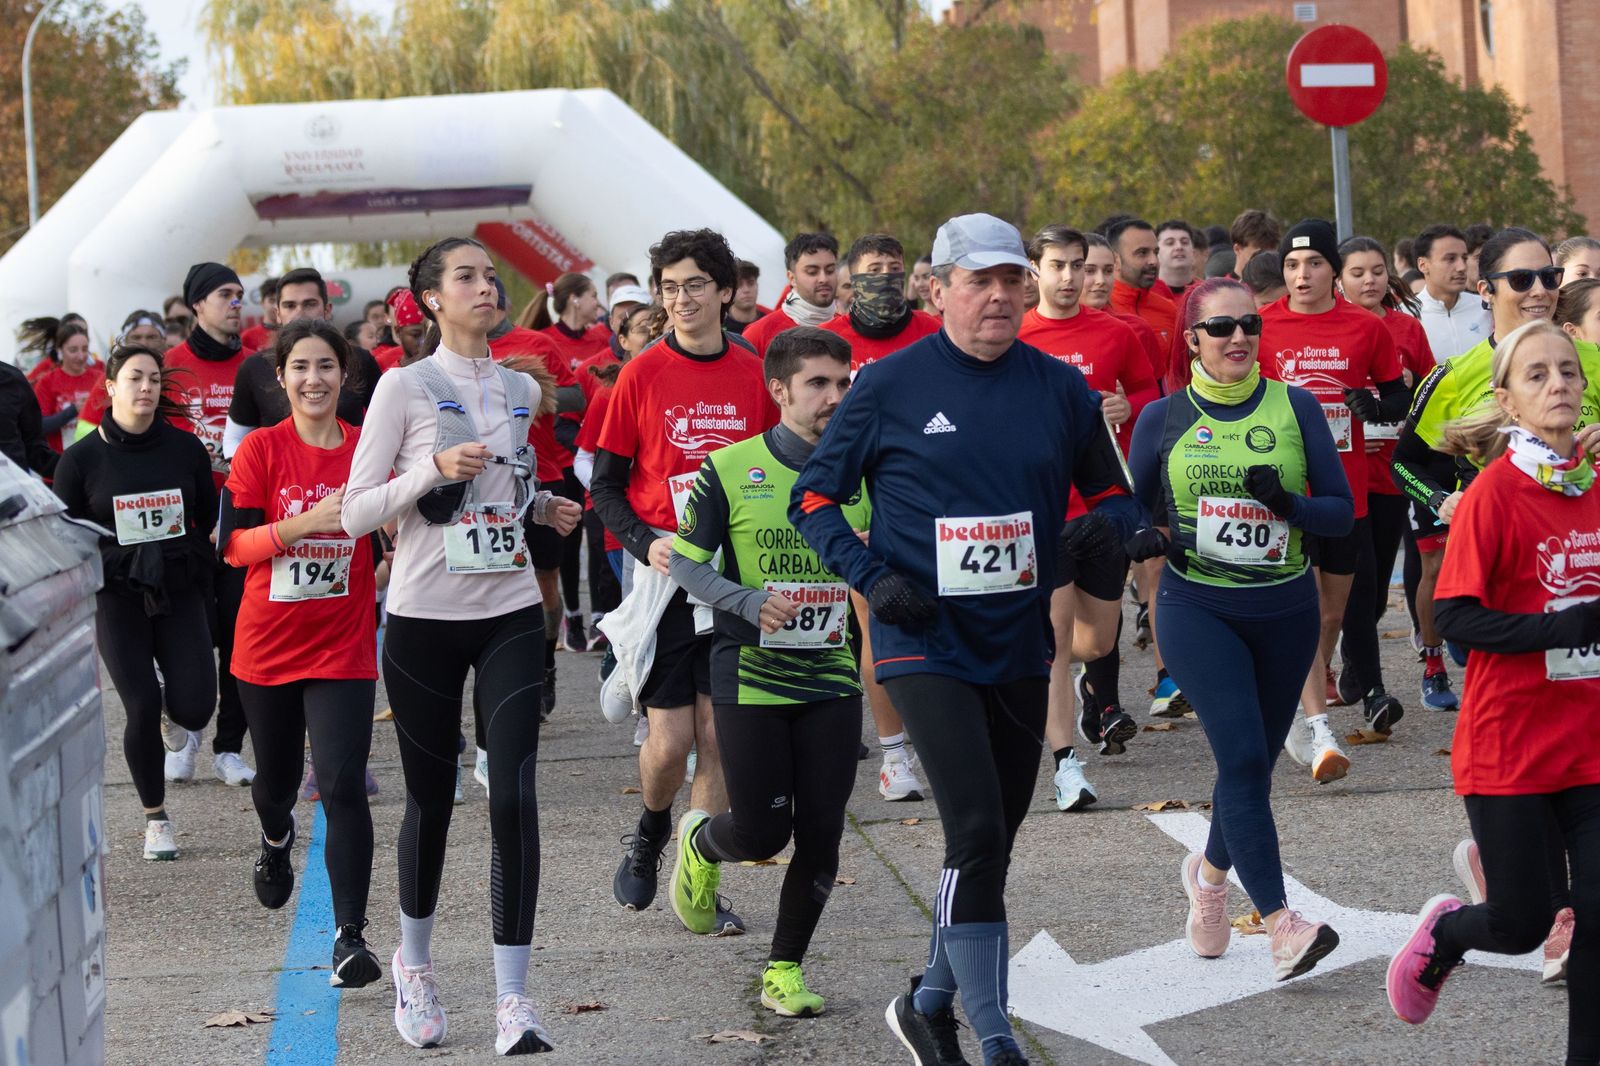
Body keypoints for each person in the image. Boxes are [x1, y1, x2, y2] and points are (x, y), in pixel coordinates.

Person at [794, 213, 1139, 1066]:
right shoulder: (888, 385)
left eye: (1010, 280)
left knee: (995, 840)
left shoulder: (1059, 387)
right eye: (978, 280)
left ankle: (928, 998)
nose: (998, 295)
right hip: (922, 638)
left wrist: (1128, 535)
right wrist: (873, 579)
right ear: (936, 287)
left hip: (1020, 639)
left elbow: (1111, 495)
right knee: (976, 827)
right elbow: (814, 499)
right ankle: (992, 1036)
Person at [342, 235, 582, 1055]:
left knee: (513, 794)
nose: (488, 286)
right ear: (433, 300)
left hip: (511, 605)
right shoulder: (403, 387)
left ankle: (513, 999)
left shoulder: (519, 386)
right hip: (422, 619)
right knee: (433, 802)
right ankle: (415, 966)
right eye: (468, 277)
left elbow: (507, 486)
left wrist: (541, 504)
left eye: (491, 275)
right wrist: (431, 469)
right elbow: (355, 511)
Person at [1126, 276, 1354, 981]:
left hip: (1285, 610)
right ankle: (1283, 922)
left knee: (1247, 761)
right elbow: (1130, 514)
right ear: (1191, 339)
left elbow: (1340, 515)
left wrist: (1287, 503)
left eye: (1249, 325)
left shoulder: (1297, 407)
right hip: (1200, 610)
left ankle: (1210, 879)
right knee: (1248, 761)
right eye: (1220, 328)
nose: (1237, 339)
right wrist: (1146, 538)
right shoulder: (1162, 419)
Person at [1385, 321, 1599, 1066]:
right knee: (1523, 922)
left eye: (1568, 371)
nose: (1558, 384)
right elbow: (1456, 618)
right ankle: (1447, 934)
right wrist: (1569, 623)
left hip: (1592, 744)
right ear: (1506, 399)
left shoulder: (1598, 486)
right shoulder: (1492, 497)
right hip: (1511, 746)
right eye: (1537, 375)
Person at [666, 326, 864, 1017]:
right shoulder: (729, 468)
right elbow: (684, 560)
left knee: (822, 829)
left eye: (843, 383)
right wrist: (745, 599)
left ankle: (784, 968)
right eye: (818, 383)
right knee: (761, 833)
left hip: (832, 677)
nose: (834, 397)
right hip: (750, 675)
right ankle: (700, 840)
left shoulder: (864, 471)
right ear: (778, 390)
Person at [590, 228, 777, 929]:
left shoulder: (756, 371)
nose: (681, 300)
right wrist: (646, 543)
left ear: (725, 291)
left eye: (694, 285)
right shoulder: (641, 374)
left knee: (720, 736)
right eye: (668, 288)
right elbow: (605, 487)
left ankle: (698, 879)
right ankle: (650, 829)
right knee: (669, 744)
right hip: (668, 583)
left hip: (735, 579)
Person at [218, 318, 382, 988]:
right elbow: (234, 547)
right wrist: (303, 525)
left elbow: (402, 512)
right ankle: (275, 838)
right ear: (280, 377)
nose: (314, 380)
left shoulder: (369, 451)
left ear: (344, 376)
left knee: (343, 787)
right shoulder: (261, 449)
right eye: (301, 368)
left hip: (344, 645)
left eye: (326, 367)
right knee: (276, 785)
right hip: (270, 645)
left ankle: (350, 937)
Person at [1393, 228, 1579, 708]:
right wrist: (1442, 500)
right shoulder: (1454, 374)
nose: (1540, 290)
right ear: (1486, 290)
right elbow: (1405, 462)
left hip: (1580, 555)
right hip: (1500, 567)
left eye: (1549, 276)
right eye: (1521, 278)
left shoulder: (1591, 362)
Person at [52, 345, 217, 860]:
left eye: (153, 379)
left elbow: (206, 518)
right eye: (134, 378)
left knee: (194, 707)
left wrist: (183, 554)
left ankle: (175, 709)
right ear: (110, 387)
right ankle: (155, 818)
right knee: (140, 705)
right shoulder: (81, 460)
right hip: (117, 595)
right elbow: (67, 532)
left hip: (178, 587)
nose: (146, 388)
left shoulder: (185, 450)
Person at [1259, 220, 1409, 755]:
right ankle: (1305, 711)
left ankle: (1311, 685)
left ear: (1333, 271)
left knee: (1332, 611)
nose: (1303, 275)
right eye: (1293, 266)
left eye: (1315, 264)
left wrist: (1376, 407)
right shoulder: (1261, 326)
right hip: (1278, 496)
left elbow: (1398, 398)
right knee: (1292, 605)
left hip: (1345, 491)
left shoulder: (1366, 327)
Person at [1021, 223, 1157, 808]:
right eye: (1059, 266)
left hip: (1102, 511)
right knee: (1053, 636)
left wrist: (1129, 407)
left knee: (1097, 642)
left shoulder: (1118, 332)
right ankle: (1064, 765)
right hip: (1043, 514)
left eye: (1079, 265)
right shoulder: (1016, 336)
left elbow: (1153, 403)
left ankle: (1045, 672)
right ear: (1035, 272)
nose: (1072, 277)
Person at [819, 233, 939, 801]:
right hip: (857, 494)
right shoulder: (828, 343)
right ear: (850, 280)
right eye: (873, 270)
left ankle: (943, 734)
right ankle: (894, 755)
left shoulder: (935, 334)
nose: (886, 279)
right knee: (876, 618)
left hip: (930, 490)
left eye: (895, 269)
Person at [1332, 236, 1453, 720]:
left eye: (1378, 271)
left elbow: (1425, 396)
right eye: (1358, 272)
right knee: (1352, 583)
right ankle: (1363, 675)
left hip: (1389, 474)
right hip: (1343, 474)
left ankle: (1354, 651)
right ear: (1340, 279)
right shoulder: (1333, 330)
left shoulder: (1406, 328)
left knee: (1378, 585)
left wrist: (1394, 412)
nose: (1369, 280)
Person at [156, 262, 259, 788]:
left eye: (240, 294)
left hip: (241, 523)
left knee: (241, 637)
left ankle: (228, 747)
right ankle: (188, 731)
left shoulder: (258, 366)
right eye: (225, 294)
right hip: (185, 528)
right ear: (197, 303)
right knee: (189, 640)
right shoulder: (168, 366)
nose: (237, 302)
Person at [225, 267, 383, 460]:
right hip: (281, 485)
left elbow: (387, 426)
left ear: (327, 310)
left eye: (309, 304)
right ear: (278, 314)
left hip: (351, 481)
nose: (299, 313)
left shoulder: (361, 361)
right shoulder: (253, 368)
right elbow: (234, 438)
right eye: (290, 305)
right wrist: (251, 471)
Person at [741, 233, 841, 355]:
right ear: (792, 278)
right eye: (812, 272)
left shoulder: (849, 328)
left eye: (830, 270)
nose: (823, 279)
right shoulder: (759, 334)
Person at [1413, 224, 1491, 361]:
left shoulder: (1488, 308)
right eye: (1450, 259)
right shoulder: (1407, 315)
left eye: (1464, 258)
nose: (1461, 267)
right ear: (1423, 265)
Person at [1108, 218, 1177, 349]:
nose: (1153, 261)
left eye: (1156, 252)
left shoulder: (1169, 310)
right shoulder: (1099, 309)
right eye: (1142, 253)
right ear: (1115, 259)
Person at [32, 320, 97, 453]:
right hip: (60, 461)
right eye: (73, 350)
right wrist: (74, 409)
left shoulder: (100, 379)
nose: (81, 356)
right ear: (60, 351)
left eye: (85, 349)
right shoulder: (47, 382)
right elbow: (39, 426)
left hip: (94, 460)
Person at [372, 289, 428, 372]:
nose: (423, 341)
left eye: (429, 333)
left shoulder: (445, 364)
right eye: (415, 335)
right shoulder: (384, 365)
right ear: (398, 331)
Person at [1230, 209, 1281, 278]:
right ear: (1237, 249)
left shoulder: (1285, 285)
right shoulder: (1219, 288)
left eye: (1271, 255)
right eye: (1258, 255)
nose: (1266, 262)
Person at [1154, 219, 1196, 300]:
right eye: (1170, 243)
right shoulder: (1145, 296)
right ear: (1156, 252)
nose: (1179, 247)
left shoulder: (1207, 294)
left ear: (1193, 252)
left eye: (1184, 242)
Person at [239, 276, 279, 353]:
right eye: (272, 301)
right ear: (262, 303)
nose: (276, 306)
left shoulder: (293, 334)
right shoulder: (247, 337)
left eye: (279, 301)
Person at [726, 260, 766, 334]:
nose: (746, 290)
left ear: (757, 285)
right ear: (729, 290)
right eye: (739, 285)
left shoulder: (768, 324)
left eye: (751, 283)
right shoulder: (718, 325)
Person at [1463, 222, 1495, 291]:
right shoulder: (1452, 298)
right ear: (1464, 261)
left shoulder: (1500, 298)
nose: (1486, 263)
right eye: (1479, 258)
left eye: (1491, 258)